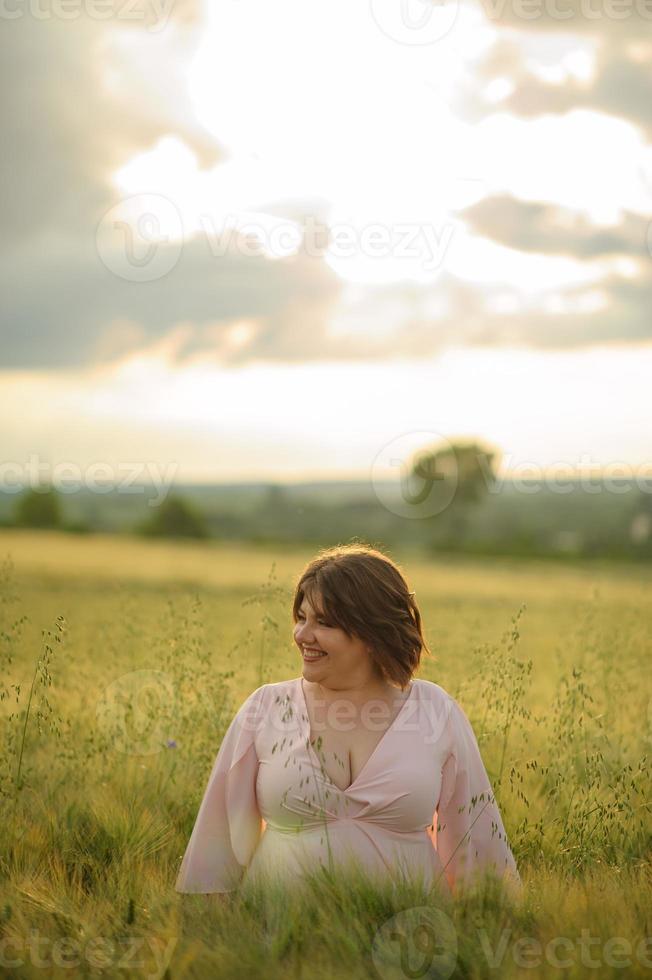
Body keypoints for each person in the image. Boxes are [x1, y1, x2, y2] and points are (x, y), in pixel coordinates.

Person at [175, 544, 521, 900]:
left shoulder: (435, 711)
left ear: (373, 633)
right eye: (301, 617)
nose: (302, 635)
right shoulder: (266, 708)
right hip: (274, 942)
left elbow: (478, 848)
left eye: (324, 623)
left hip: (412, 942)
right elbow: (214, 850)